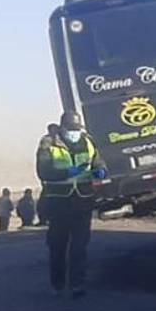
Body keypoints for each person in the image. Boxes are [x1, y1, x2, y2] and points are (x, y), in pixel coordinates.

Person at [37, 111, 106, 298]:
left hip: (82, 200)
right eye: (71, 129)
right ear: (63, 127)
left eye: (77, 129)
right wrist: (69, 172)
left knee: (79, 246)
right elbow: (44, 171)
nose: (75, 133)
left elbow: (99, 163)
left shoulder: (88, 141)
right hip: (58, 202)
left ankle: (77, 284)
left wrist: (100, 171)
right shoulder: (48, 143)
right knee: (57, 245)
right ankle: (58, 285)